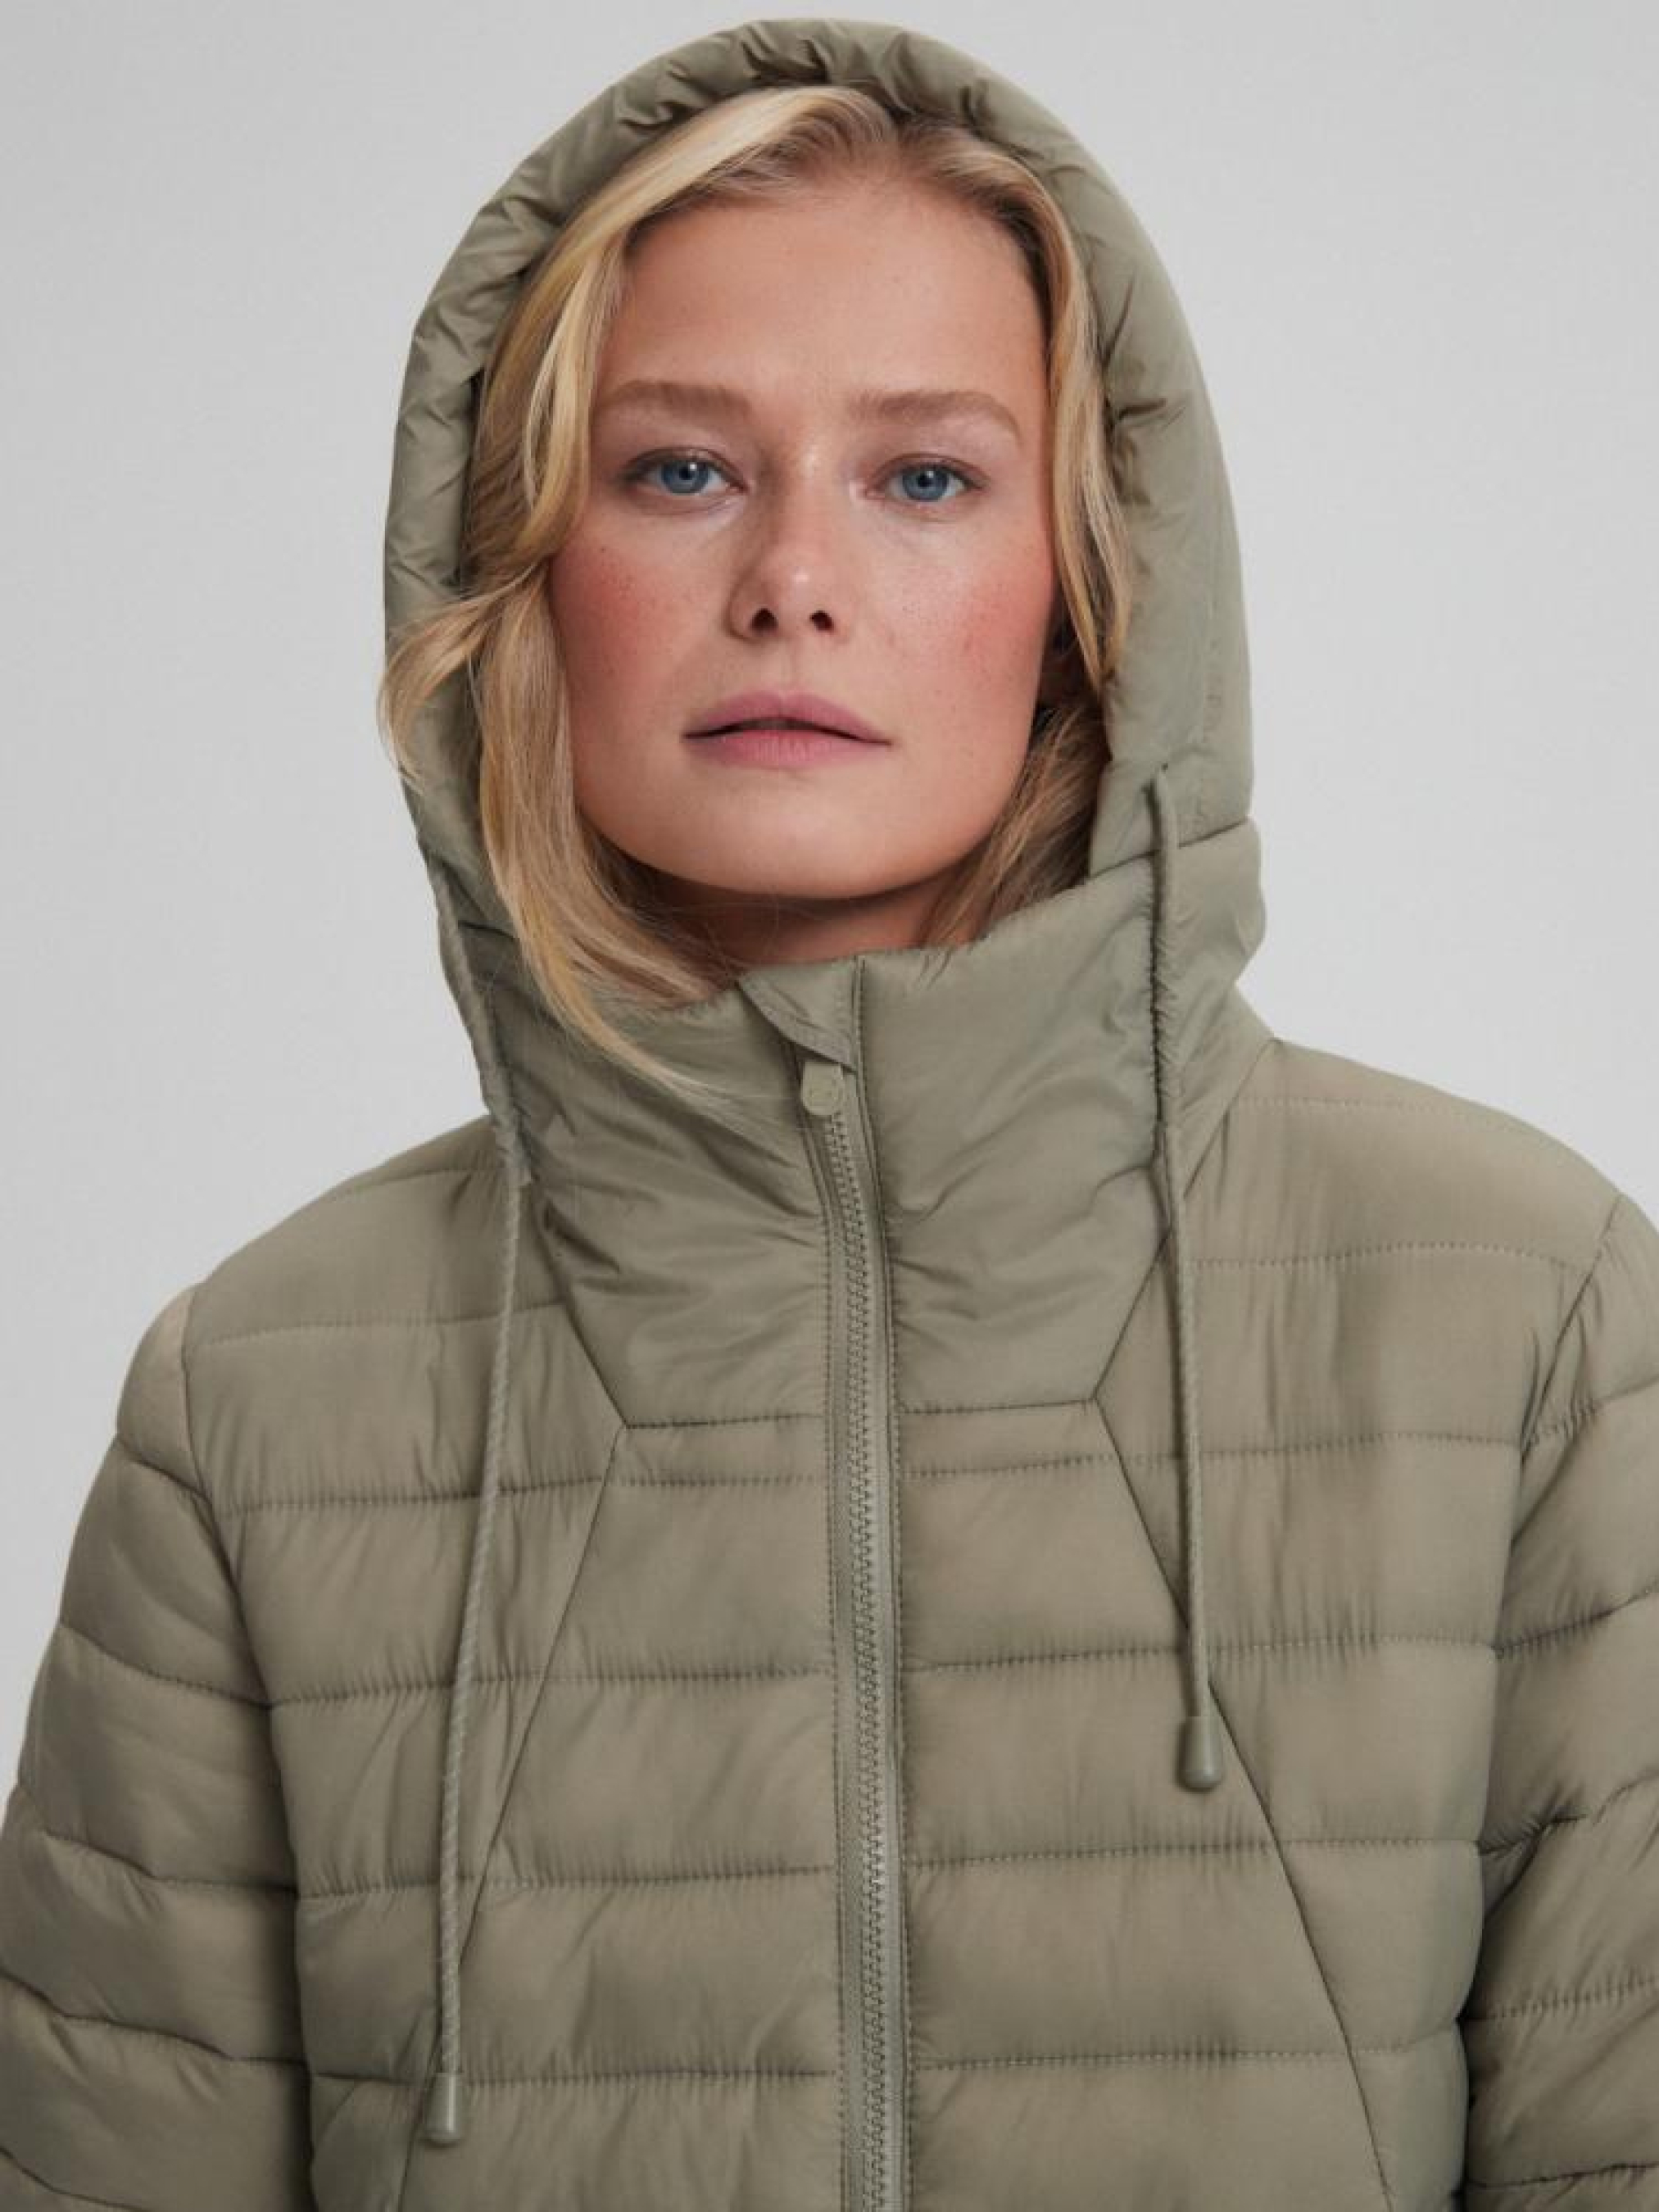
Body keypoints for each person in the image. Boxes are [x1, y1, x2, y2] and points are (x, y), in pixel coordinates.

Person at [1, 17, 1655, 2210]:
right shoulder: (256, 1404)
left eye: (925, 477)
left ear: (1087, 587)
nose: (791, 574)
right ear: (524, 571)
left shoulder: (1525, 1320)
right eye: (679, 469)